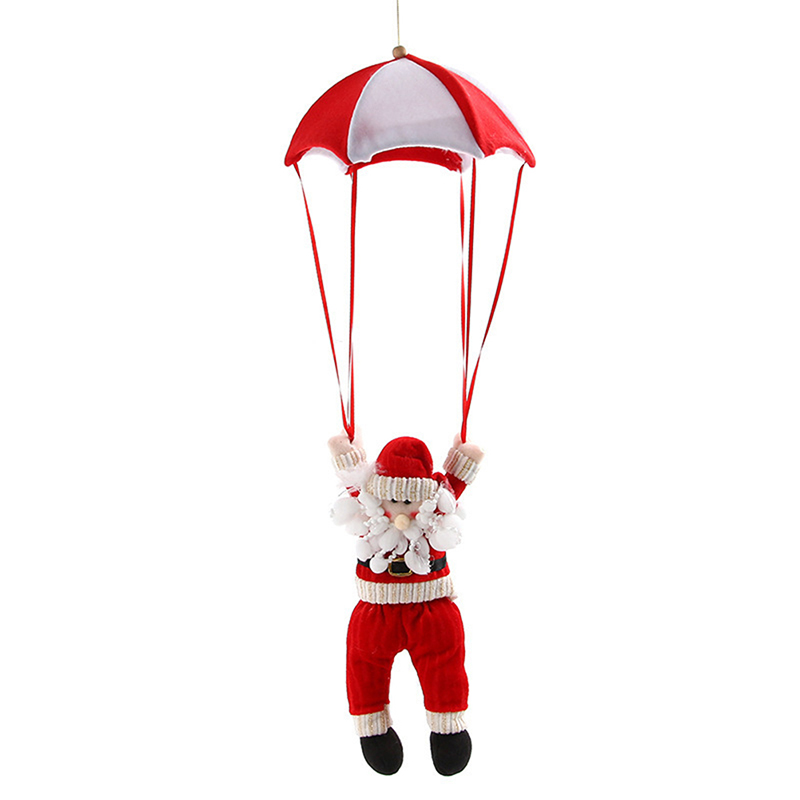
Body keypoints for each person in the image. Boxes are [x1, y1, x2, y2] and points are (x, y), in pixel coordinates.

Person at [328, 431, 484, 775]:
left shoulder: (436, 508)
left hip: (432, 609)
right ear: (378, 495)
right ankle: (373, 729)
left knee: (445, 665)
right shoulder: (369, 506)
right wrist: (345, 453)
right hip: (375, 611)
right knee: (363, 665)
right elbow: (352, 478)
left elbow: (456, 482)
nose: (402, 512)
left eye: (410, 502)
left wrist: (466, 456)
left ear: (425, 499)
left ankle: (448, 728)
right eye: (393, 501)